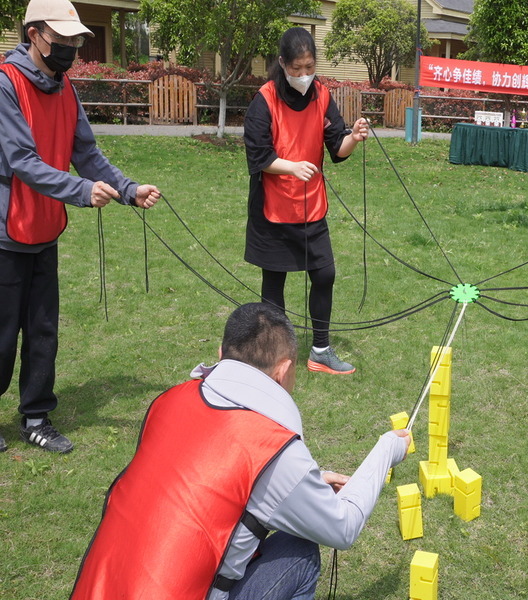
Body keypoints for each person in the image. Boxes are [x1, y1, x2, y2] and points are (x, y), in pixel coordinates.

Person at [70, 302, 410, 600]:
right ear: (285, 370)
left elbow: (203, 478)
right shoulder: (272, 445)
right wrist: (386, 449)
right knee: (300, 553)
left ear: (221, 353)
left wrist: (311, 479)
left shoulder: (168, 401)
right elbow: (343, 528)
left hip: (98, 588)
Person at [0, 0, 160, 454]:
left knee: (43, 329)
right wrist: (80, 190)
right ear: (34, 34)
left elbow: (87, 154)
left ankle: (35, 416)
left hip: (44, 228)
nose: (69, 48)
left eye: (74, 40)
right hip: (6, 232)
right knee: (1, 333)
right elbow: (22, 161)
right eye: (61, 39)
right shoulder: (5, 85)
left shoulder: (65, 89)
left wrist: (128, 190)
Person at [243, 27, 369, 375]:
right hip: (273, 208)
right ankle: (276, 352)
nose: (303, 75)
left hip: (311, 206)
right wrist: (291, 166)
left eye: (309, 67)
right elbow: (259, 156)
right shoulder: (264, 100)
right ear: (282, 63)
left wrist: (354, 138)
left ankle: (321, 351)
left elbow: (337, 147)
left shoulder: (322, 97)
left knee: (324, 273)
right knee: (275, 284)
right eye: (296, 68)